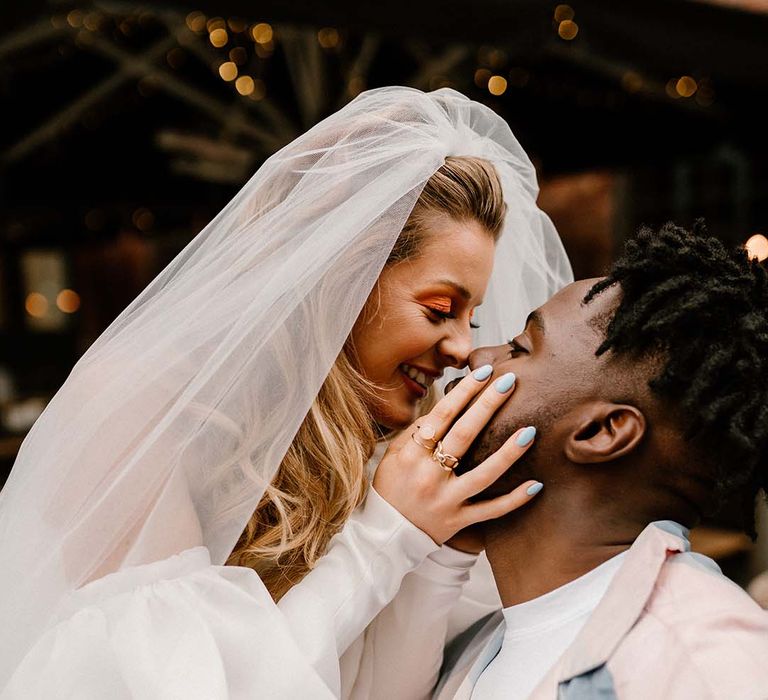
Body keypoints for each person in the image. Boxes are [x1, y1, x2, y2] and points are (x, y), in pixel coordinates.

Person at [0, 87, 571, 697]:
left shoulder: (378, 443)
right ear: (343, 275)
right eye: (439, 309)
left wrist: (440, 552)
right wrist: (386, 537)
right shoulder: (139, 410)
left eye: (472, 320)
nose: (462, 348)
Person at [421, 223, 768, 699]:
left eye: (520, 348)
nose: (476, 354)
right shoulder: (476, 643)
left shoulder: (709, 660)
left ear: (600, 433)